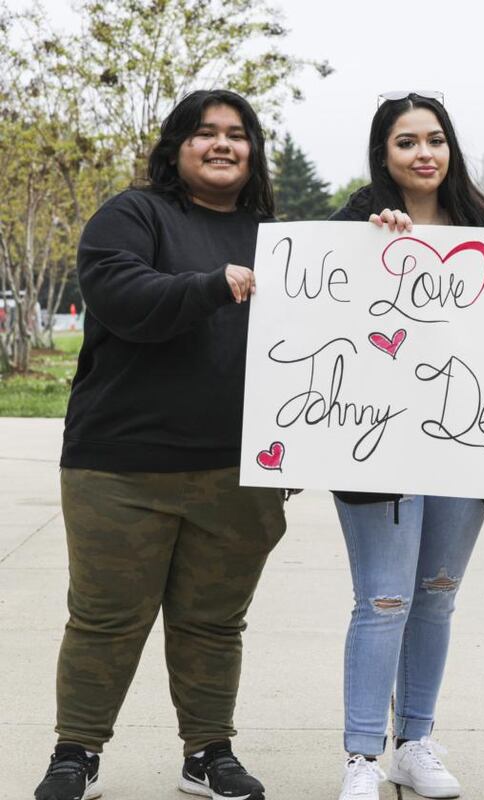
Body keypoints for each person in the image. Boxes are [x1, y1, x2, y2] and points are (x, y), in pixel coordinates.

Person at [34, 89, 285, 800]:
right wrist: (213, 286)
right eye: (205, 133)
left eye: (238, 134)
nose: (223, 145)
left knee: (213, 624)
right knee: (105, 621)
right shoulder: (132, 213)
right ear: (177, 146)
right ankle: (74, 754)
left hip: (239, 470)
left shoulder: (276, 239)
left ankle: (208, 752)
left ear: (253, 151)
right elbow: (123, 296)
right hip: (119, 466)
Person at [328, 90, 484, 800]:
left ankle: (415, 741)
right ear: (384, 153)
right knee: (383, 599)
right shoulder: (357, 222)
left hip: (465, 440)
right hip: (378, 439)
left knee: (436, 595)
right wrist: (371, 245)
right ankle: (361, 757)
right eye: (406, 141)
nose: (424, 153)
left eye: (434, 138)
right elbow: (326, 316)